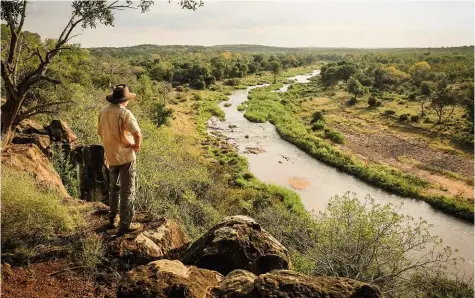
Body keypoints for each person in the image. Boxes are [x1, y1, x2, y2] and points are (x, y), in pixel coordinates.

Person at [98, 84, 142, 236]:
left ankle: (113, 217)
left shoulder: (103, 111)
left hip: (110, 155)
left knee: (114, 187)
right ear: (124, 100)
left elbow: (100, 132)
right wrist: (136, 146)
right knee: (127, 190)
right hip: (126, 156)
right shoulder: (125, 113)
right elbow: (137, 134)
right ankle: (125, 224)